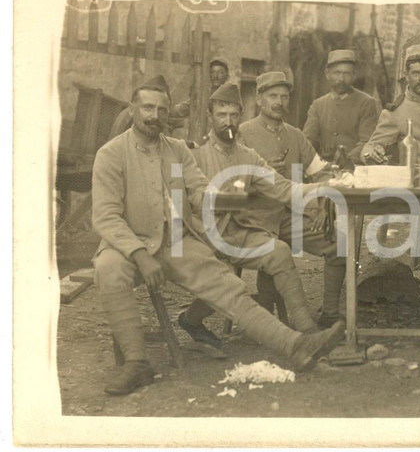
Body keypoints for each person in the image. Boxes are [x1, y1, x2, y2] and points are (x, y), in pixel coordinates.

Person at [92, 75, 345, 396]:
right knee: (108, 269)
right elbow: (106, 216)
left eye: (161, 109)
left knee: (230, 287)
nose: (154, 116)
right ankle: (137, 362)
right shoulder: (111, 154)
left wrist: (228, 197)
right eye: (147, 108)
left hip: (174, 241)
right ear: (133, 109)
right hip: (126, 243)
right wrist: (139, 254)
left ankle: (296, 344)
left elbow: (200, 192)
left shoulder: (178, 151)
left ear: (168, 113)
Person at [180, 82, 353, 342]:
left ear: (240, 115)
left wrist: (325, 187)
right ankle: (190, 320)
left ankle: (307, 330)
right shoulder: (193, 155)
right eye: (221, 115)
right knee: (222, 274)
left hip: (240, 231)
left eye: (234, 115)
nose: (228, 122)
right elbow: (185, 201)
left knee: (280, 252)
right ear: (210, 117)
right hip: (203, 235)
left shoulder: (249, 156)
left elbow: (284, 189)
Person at [238, 72, 347, 329]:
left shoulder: (295, 135)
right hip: (254, 219)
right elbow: (228, 184)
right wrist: (254, 178)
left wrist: (324, 205)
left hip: (290, 217)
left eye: (284, 97)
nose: (279, 102)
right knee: (274, 257)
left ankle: (330, 313)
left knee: (339, 243)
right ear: (259, 99)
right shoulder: (243, 133)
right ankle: (270, 316)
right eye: (273, 96)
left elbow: (322, 171)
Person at [109, 57, 230, 139]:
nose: (216, 76)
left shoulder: (230, 95)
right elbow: (186, 107)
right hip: (198, 137)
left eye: (220, 72)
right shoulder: (204, 94)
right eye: (213, 72)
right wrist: (169, 111)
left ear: (226, 75)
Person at [302, 50, 379, 165]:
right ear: (327, 74)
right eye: (337, 73)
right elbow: (308, 140)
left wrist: (346, 161)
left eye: (347, 74)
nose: (341, 79)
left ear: (354, 75)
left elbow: (366, 141)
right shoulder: (318, 105)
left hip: (355, 167)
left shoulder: (367, 103)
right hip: (323, 168)